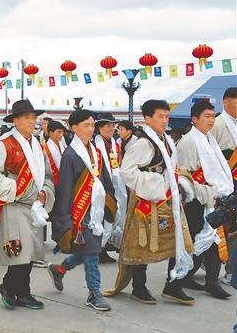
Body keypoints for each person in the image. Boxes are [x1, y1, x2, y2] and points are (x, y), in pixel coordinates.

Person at [105, 100, 195, 304]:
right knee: (142, 244)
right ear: (147, 119)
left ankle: (173, 284)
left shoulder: (166, 140)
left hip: (168, 199)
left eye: (167, 116)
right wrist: (157, 183)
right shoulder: (143, 143)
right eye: (160, 116)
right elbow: (127, 171)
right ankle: (139, 286)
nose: (165, 120)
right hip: (147, 200)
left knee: (178, 240)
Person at [0, 100, 56, 310]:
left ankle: (17, 290)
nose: (31, 121)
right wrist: (16, 188)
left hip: (33, 206)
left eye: (33, 117)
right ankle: (16, 289)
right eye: (26, 117)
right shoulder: (6, 143)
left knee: (31, 252)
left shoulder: (37, 145)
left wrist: (44, 192)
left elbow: (47, 175)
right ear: (15, 121)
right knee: (20, 251)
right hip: (15, 204)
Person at [47, 110, 117, 311]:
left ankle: (59, 269)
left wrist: (110, 201)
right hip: (80, 213)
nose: (90, 129)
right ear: (74, 127)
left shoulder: (96, 153)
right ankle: (94, 293)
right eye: (86, 125)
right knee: (92, 253)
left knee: (88, 251)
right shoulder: (70, 155)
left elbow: (105, 180)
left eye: (92, 125)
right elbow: (65, 189)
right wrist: (64, 220)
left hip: (96, 210)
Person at [173, 100, 233, 299]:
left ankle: (207, 281)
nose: (211, 120)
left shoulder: (209, 139)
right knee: (194, 241)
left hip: (213, 198)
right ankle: (175, 282)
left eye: (212, 116)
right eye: (206, 116)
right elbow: (184, 176)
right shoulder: (189, 141)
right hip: (196, 201)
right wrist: (206, 193)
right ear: (194, 119)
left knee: (212, 242)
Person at [211, 87, 237, 286]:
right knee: (226, 227)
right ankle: (227, 270)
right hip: (225, 182)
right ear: (226, 102)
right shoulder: (218, 124)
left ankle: (231, 269)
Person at [93, 113, 125, 263]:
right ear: (100, 128)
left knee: (110, 215)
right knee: (101, 215)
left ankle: (103, 248)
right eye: (108, 126)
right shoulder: (94, 145)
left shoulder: (115, 145)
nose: (111, 128)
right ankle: (97, 250)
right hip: (100, 185)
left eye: (113, 126)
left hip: (115, 184)